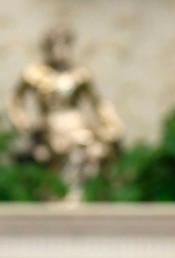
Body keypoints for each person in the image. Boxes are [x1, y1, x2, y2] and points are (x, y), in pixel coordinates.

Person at [7, 25, 123, 200]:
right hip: (51, 124)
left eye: (65, 45)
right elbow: (14, 100)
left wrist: (112, 124)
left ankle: (76, 191)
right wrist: (23, 124)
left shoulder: (79, 74)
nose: (60, 51)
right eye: (56, 45)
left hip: (76, 120)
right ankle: (59, 191)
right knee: (76, 143)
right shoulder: (35, 73)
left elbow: (98, 103)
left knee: (97, 148)